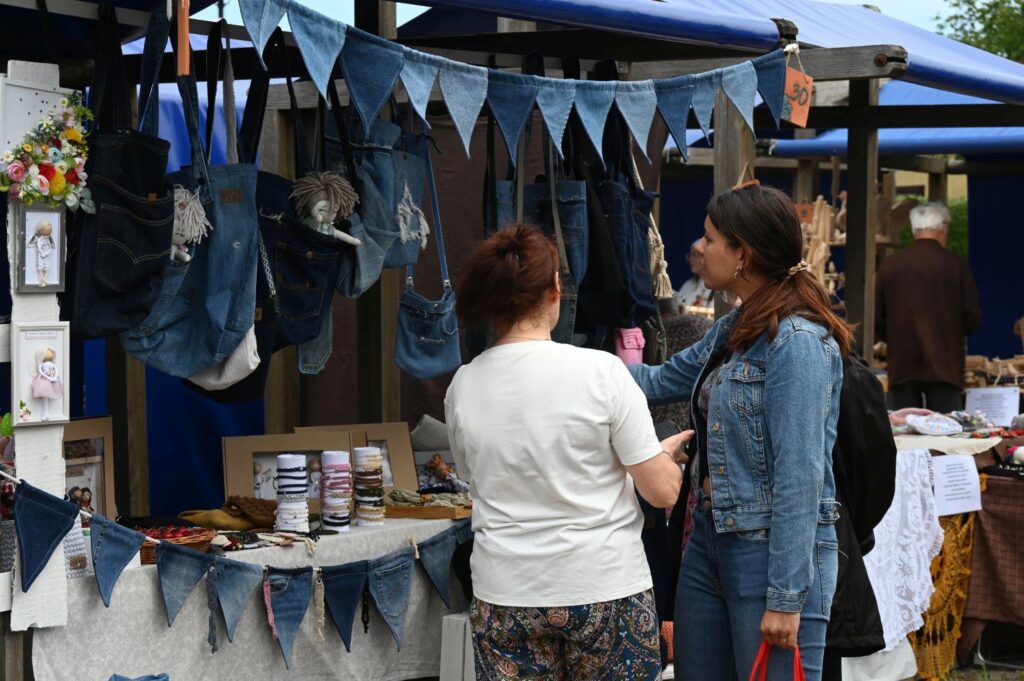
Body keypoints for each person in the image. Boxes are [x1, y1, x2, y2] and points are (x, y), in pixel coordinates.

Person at [446, 224, 688, 679]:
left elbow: (476, 478)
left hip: (505, 591)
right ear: (556, 288)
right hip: (604, 584)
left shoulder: (464, 384)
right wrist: (664, 458)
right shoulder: (601, 372)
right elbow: (662, 493)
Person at [629, 184, 850, 681]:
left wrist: (787, 597)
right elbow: (661, 380)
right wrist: (566, 364)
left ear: (743, 254)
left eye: (710, 239)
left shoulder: (797, 342)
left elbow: (801, 474)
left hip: (770, 552)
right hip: (709, 537)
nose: (698, 249)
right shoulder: (737, 324)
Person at [876, 203, 981, 413]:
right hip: (945, 366)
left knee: (904, 437)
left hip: (902, 366)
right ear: (943, 228)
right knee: (947, 438)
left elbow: (878, 319)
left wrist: (896, 339)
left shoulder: (890, 266)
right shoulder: (955, 265)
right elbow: (973, 317)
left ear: (915, 230)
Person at [675, 237, 712, 312]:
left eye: (695, 254)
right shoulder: (687, 286)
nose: (691, 259)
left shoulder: (719, 289)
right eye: (691, 255)